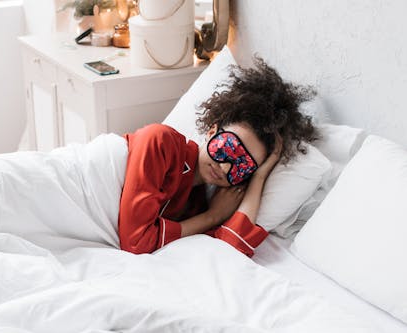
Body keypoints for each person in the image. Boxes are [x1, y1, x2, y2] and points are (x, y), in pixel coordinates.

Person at [118, 57, 318, 257]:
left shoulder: (196, 205)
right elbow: (135, 243)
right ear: (212, 131)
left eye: (243, 166)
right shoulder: (160, 142)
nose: (225, 168)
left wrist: (259, 177)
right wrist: (212, 217)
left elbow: (230, 250)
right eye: (229, 149)